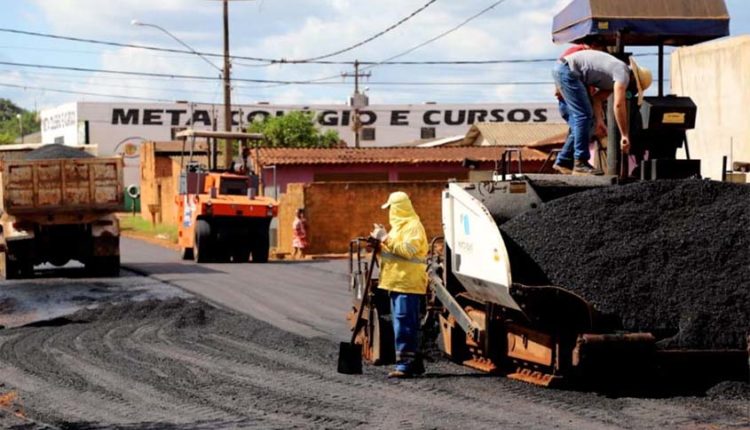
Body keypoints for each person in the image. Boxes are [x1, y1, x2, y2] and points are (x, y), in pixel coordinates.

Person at [553, 49, 652, 175]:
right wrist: (624, 135)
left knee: (586, 122)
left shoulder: (614, 77)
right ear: (633, 79)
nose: (632, 91)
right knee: (583, 117)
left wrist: (599, 121)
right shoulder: (623, 74)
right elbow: (618, 105)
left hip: (566, 70)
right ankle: (580, 162)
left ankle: (564, 161)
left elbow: (597, 99)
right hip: (568, 70)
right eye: (635, 88)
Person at [370, 191, 428, 379]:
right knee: (403, 323)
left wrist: (385, 238)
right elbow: (391, 255)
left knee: (404, 324)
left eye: (391, 208)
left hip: (408, 284)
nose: (390, 212)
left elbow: (408, 251)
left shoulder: (413, 227)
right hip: (396, 283)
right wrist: (379, 246)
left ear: (399, 208)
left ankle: (405, 365)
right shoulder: (398, 229)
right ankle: (414, 362)